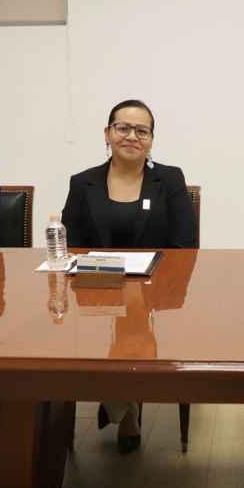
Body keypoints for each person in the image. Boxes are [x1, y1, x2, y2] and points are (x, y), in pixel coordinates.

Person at [61, 99, 196, 453]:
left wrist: (150, 287)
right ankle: (125, 406)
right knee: (96, 335)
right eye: (123, 128)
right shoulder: (83, 182)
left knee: (132, 329)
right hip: (96, 290)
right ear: (107, 133)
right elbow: (72, 245)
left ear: (151, 139)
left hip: (156, 293)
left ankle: (121, 405)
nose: (132, 136)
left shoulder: (169, 179)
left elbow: (185, 246)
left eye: (142, 130)